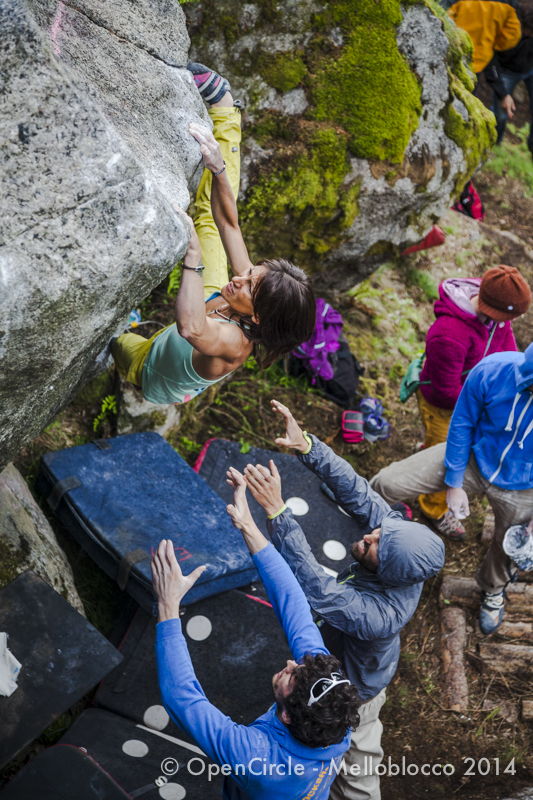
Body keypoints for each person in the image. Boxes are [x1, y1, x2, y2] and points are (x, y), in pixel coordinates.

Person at [240, 399, 445, 800]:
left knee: (356, 773)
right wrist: (308, 447)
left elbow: (317, 588)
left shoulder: (380, 616)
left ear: (388, 571)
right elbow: (357, 491)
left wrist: (278, 512)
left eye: (373, 547)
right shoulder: (396, 540)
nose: (368, 536)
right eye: (378, 533)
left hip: (356, 690)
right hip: (339, 654)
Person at [113, 63, 315, 405]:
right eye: (252, 271)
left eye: (249, 283)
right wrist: (219, 168)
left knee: (116, 342)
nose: (241, 276)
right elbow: (228, 224)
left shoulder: (235, 344)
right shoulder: (246, 290)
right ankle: (225, 110)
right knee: (209, 219)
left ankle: (120, 335)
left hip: (151, 368)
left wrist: (192, 257)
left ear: (257, 318)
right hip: (208, 302)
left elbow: (191, 328)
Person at [151, 474, 361, 800]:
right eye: (299, 666)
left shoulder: (257, 760)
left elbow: (182, 698)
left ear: (288, 715)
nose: (291, 663)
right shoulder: (332, 711)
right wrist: (249, 526)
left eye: (291, 676)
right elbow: (295, 610)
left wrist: (167, 605)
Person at [370, 342, 533, 636]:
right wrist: (455, 481)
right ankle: (357, 516)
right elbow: (462, 422)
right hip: (473, 456)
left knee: (513, 543)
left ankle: (493, 589)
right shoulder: (494, 370)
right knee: (387, 482)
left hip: (525, 482)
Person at [415, 265, 531, 541]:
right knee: (445, 454)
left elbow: (508, 351)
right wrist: (484, 406)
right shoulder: (449, 334)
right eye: (508, 318)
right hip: (444, 405)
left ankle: (428, 444)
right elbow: (446, 392)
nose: (508, 324)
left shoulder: (497, 316)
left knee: (443, 441)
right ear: (493, 307)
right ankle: (433, 510)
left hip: (473, 393)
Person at [447, 0, 522, 120]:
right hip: (478, 61)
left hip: (450, 53)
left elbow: (444, 18)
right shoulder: (509, 4)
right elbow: (512, 37)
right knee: (464, 105)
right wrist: (491, 45)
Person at [487, 2, 533, 154]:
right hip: (506, 71)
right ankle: (494, 145)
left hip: (530, 69)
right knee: (501, 113)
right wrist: (503, 94)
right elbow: (489, 60)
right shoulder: (505, 26)